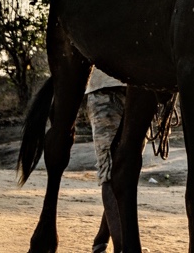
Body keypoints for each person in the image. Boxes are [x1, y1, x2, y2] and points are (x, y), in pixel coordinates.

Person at [85, 68, 126, 253]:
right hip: (105, 90)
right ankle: (121, 247)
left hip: (138, 90)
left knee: (125, 171)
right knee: (111, 169)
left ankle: (102, 238)